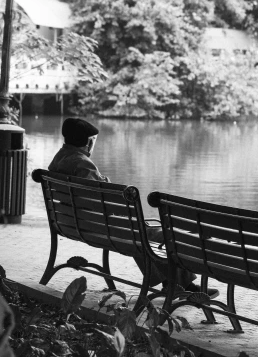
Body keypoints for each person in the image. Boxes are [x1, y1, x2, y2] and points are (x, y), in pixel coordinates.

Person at [48, 118, 219, 297]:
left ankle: (174, 284)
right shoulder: (82, 163)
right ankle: (184, 284)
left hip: (71, 223)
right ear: (88, 142)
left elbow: (89, 196)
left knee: (143, 233)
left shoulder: (58, 159)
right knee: (161, 234)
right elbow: (100, 200)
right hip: (98, 227)